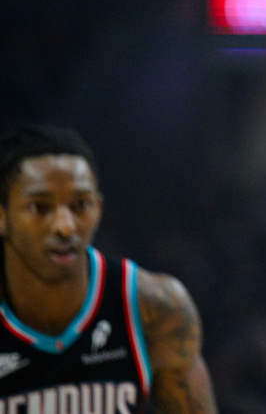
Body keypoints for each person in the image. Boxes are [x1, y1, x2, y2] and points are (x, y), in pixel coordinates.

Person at [0, 124, 218, 412]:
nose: (65, 227)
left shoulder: (156, 307)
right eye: (40, 207)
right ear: (2, 216)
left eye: (80, 205)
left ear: (99, 209)